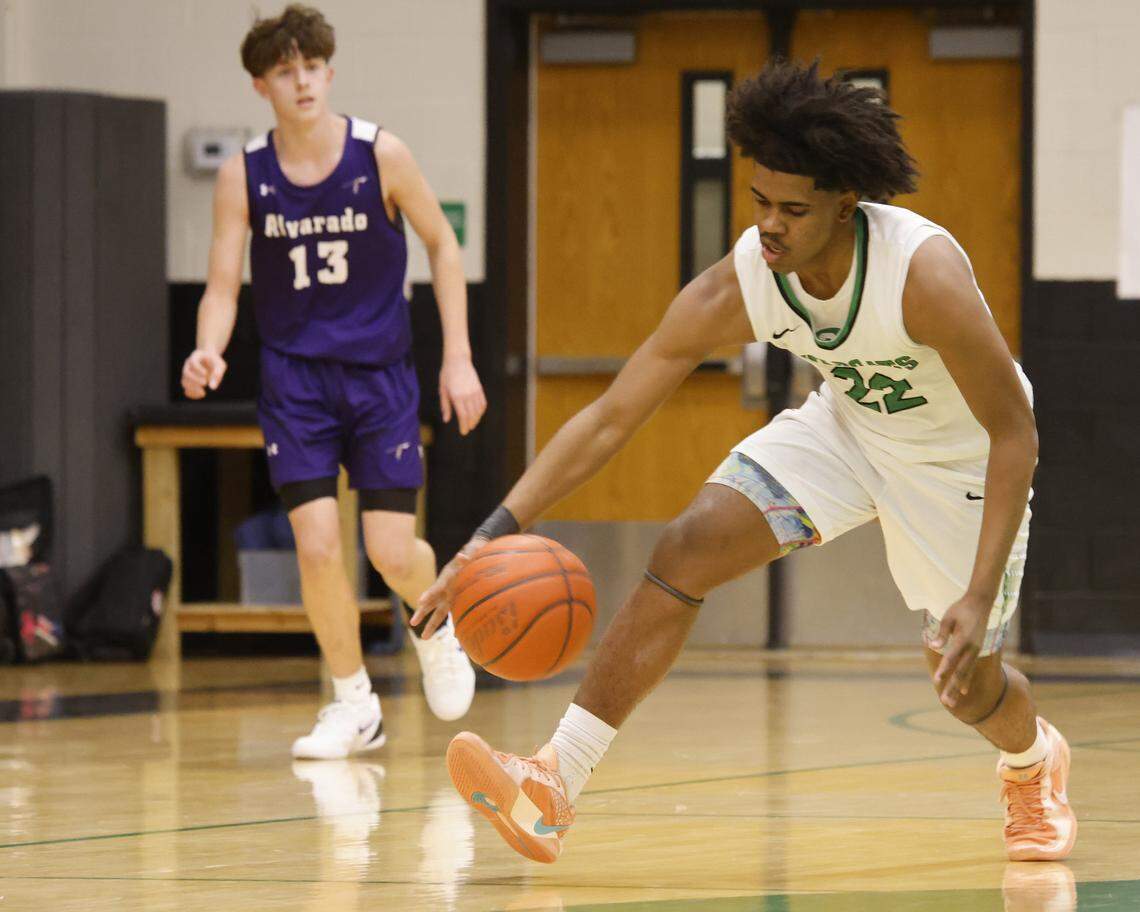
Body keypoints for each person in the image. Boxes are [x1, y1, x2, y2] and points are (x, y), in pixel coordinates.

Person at [415, 60, 1075, 864]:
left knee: (966, 683)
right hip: (850, 427)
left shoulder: (922, 275)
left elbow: (1016, 435)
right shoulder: (748, 279)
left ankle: (1031, 762)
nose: (770, 225)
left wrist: (977, 596)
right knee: (685, 547)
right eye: (760, 201)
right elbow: (610, 415)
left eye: (793, 210)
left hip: (959, 459)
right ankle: (556, 781)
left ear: (846, 205)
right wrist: (487, 537)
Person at [181, 4, 484, 759]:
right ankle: (354, 703)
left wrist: (458, 357)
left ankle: (436, 620)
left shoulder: (381, 155)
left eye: (312, 67)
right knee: (316, 545)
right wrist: (208, 348)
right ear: (262, 85)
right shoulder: (242, 174)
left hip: (380, 374)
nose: (303, 81)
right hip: (294, 379)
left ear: (330, 72)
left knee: (388, 548)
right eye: (286, 71)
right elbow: (222, 285)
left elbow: (443, 248)